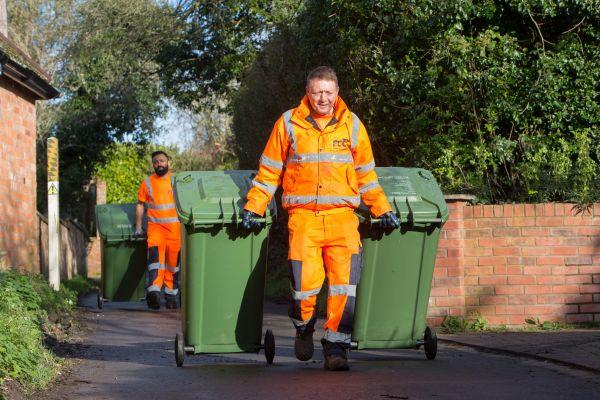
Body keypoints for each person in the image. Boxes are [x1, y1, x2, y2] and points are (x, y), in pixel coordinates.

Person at [242, 66, 400, 371]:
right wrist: (254, 206)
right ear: (308, 92)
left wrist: (382, 208)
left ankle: (335, 349)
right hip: (304, 220)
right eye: (317, 92)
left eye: (328, 92)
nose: (323, 98)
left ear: (337, 93)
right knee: (303, 287)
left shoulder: (353, 126)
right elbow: (270, 171)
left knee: (344, 288)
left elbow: (366, 175)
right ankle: (304, 328)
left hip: (343, 219)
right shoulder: (288, 123)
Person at [135, 150, 181, 310]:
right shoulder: (147, 183)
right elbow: (140, 204)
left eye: (161, 161)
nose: (159, 164)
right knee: (155, 262)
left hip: (175, 230)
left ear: (168, 162)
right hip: (156, 230)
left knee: (173, 266)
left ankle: (171, 296)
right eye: (155, 162)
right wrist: (138, 226)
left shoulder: (177, 181)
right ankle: (153, 292)